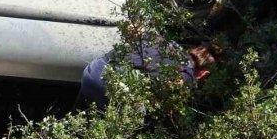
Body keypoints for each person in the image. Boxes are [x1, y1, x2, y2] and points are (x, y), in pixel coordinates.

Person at [78, 36, 216, 110]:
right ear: (204, 73)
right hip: (107, 85)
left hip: (93, 70)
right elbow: (167, 88)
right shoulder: (187, 73)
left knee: (79, 112)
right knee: (139, 114)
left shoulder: (165, 41)